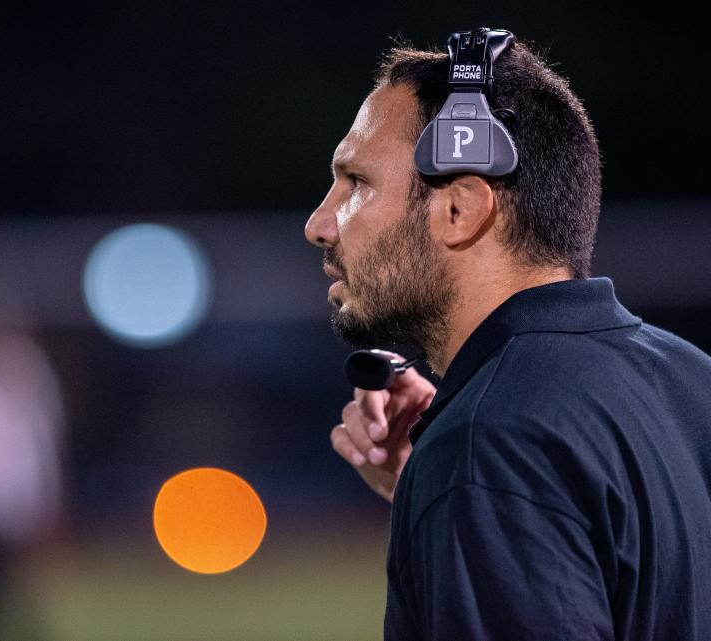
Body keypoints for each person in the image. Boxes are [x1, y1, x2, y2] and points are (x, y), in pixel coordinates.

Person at [304, 36, 711, 640]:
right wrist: (473, 512)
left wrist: (473, 482)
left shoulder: (488, 443)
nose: (319, 224)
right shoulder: (691, 376)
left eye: (356, 182)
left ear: (461, 211)